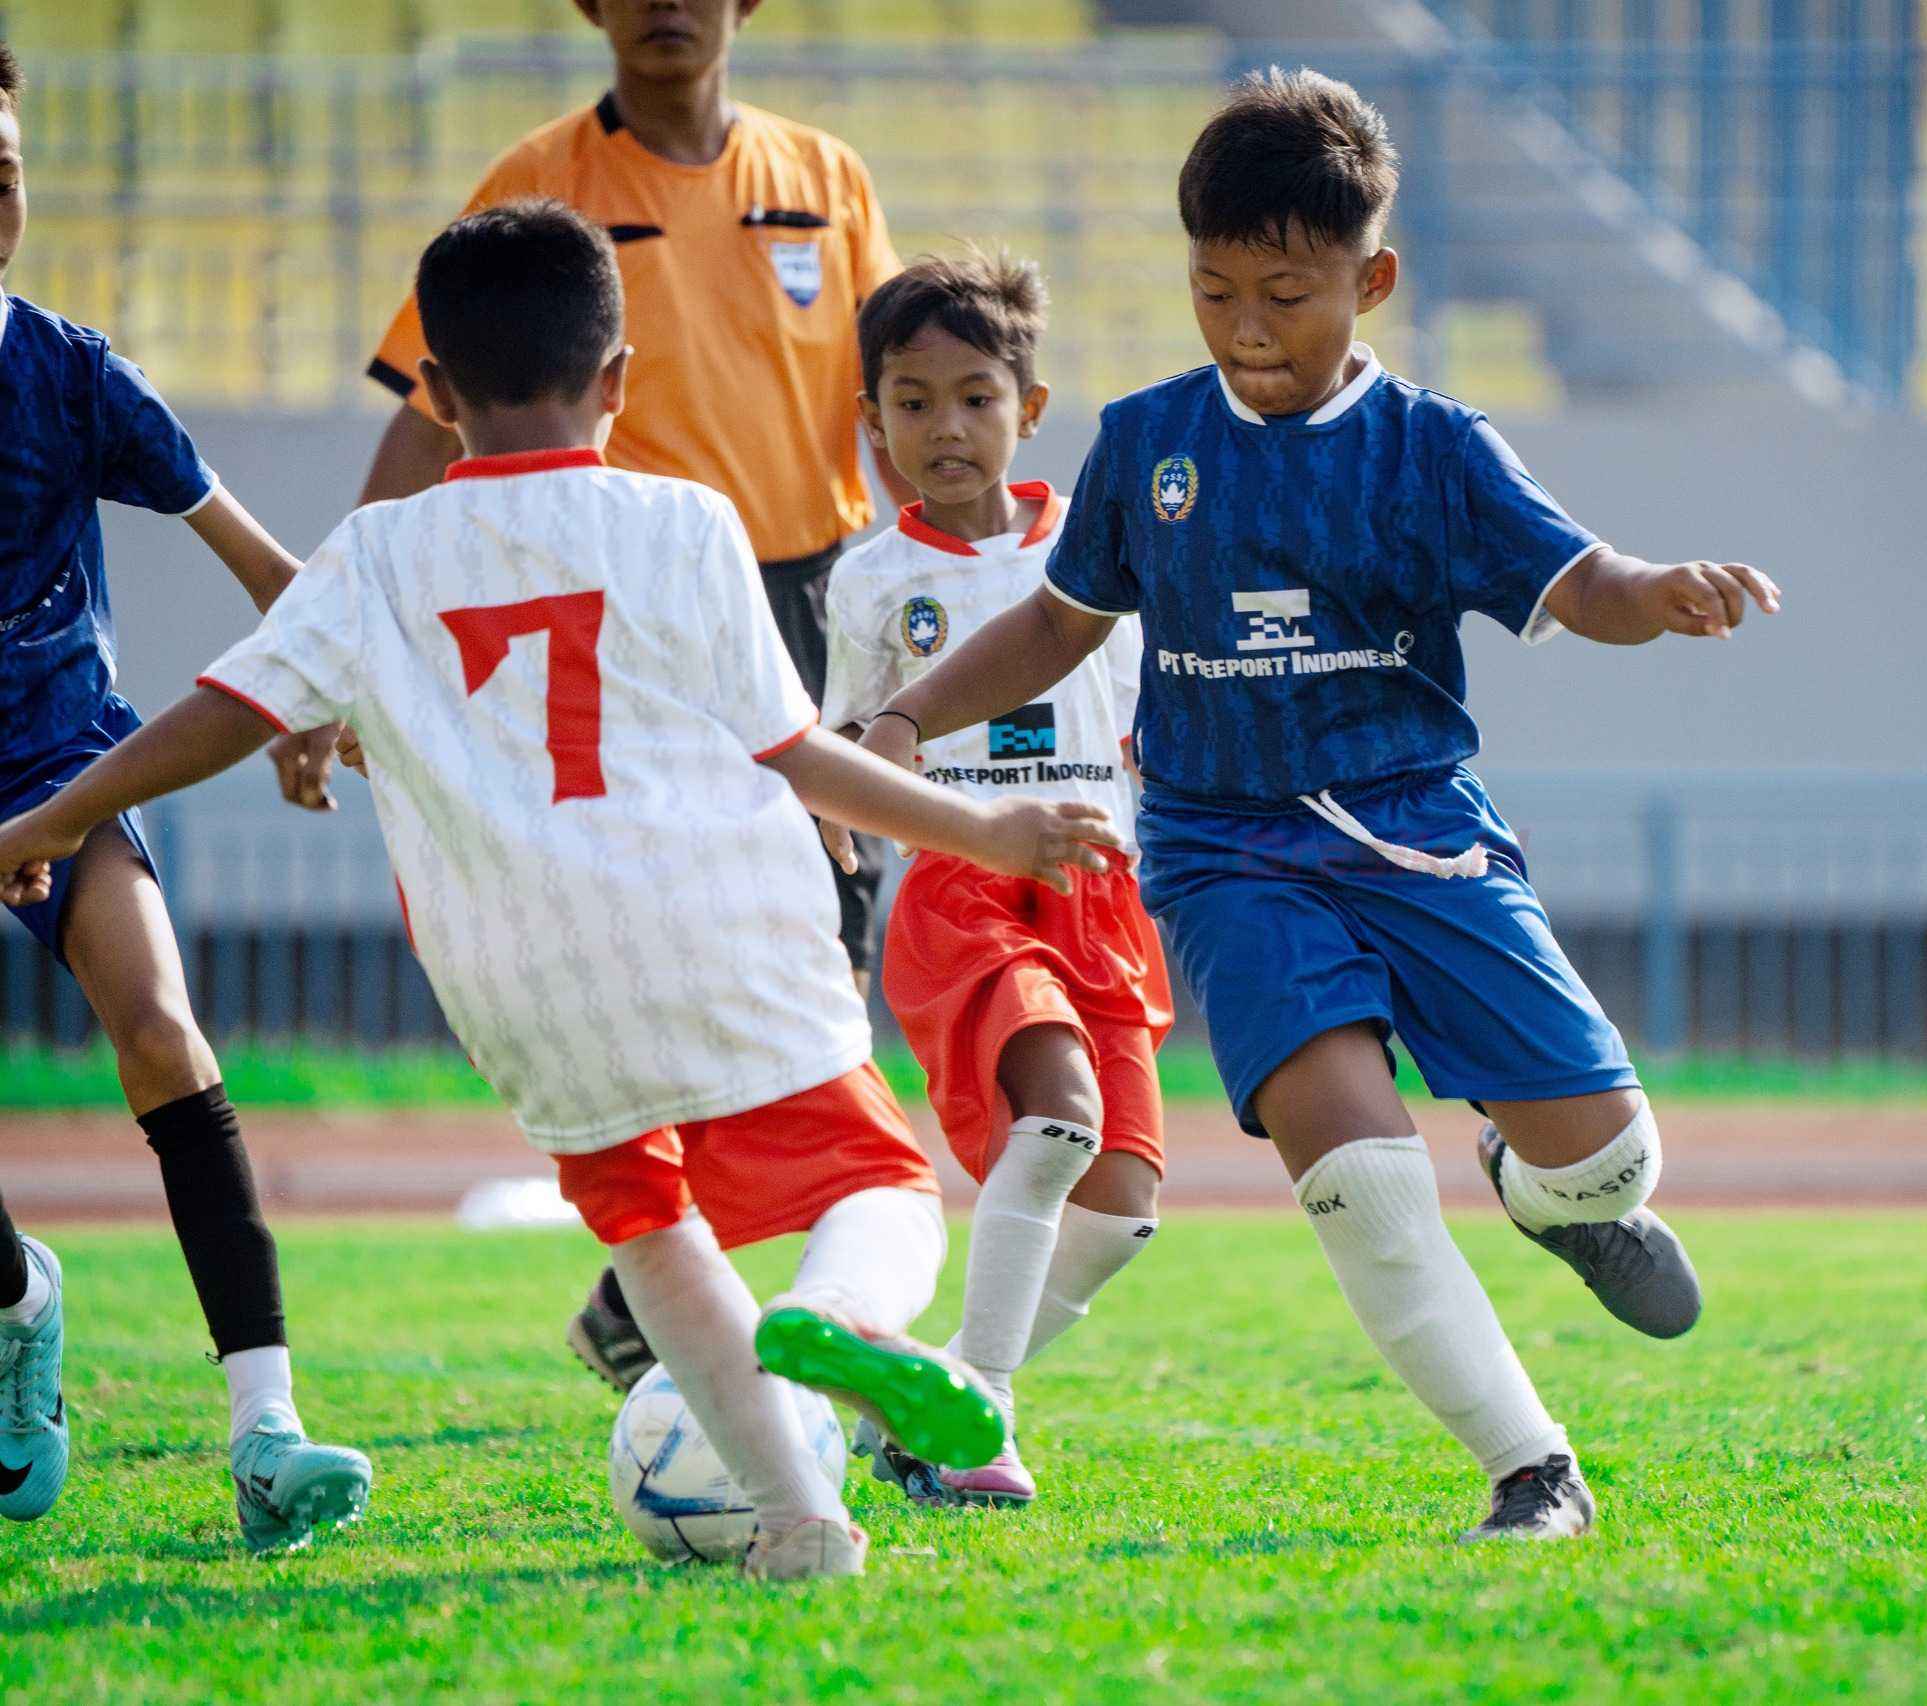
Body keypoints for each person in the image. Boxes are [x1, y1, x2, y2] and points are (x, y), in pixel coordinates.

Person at [0, 201, 1125, 1580]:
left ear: (436, 391)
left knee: (654, 1233)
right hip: (721, 926)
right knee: (883, 1183)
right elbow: (797, 751)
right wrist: (988, 834)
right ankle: (844, 1312)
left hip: (522, 979)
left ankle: (799, 1520)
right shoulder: (683, 521)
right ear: (619, 382)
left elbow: (220, 710)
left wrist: (53, 814)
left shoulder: (375, 555)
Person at [858, 70, 1783, 1542]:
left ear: (1375, 279)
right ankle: (1534, 1466)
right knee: (1357, 1176)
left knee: (1607, 1153)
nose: (1244, 330)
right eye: (1213, 290)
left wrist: (1659, 594)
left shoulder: (1436, 448)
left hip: (1418, 828)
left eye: (1284, 294)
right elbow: (1056, 621)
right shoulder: (1150, 440)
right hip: (1229, 855)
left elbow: (1578, 580)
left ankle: (1556, 1197)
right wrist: (906, 713)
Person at [350, 0, 914, 1391]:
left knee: (821, 942)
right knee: (744, 947)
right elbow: (428, 406)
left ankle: (661, 1291)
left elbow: (892, 398)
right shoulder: (541, 182)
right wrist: (355, 623)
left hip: (820, 595)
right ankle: (797, 1285)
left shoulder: (827, 177)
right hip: (645, 614)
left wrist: (935, 575)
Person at [0, 39, 371, 1551]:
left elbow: (271, 571)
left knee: (160, 1028)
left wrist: (312, 694)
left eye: (4, 172)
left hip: (63, 770)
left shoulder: (71, 371)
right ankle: (20, 1300)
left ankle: (268, 1430)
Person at [821, 251, 1170, 1509]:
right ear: (871, 422)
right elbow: (840, 746)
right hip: (962, 889)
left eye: (975, 395)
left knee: (1122, 1205)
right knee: (1055, 1121)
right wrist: (832, 828)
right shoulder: (870, 581)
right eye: (911, 402)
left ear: (1029, 405)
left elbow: (1143, 720)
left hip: (1101, 893)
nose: (943, 427)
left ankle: (936, 1385)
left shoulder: (1102, 550)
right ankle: (984, 1424)